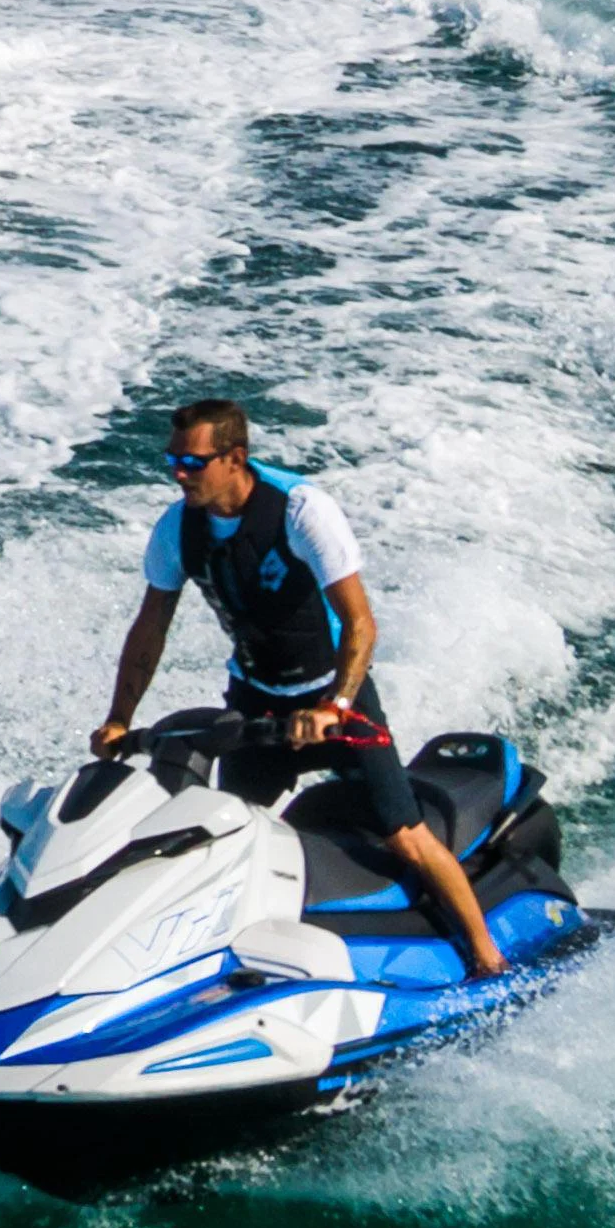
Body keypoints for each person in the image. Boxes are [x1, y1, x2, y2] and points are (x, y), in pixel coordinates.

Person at [93, 396, 507, 982]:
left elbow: (361, 623)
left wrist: (335, 705)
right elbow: (149, 628)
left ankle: (487, 956)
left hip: (333, 698)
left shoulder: (301, 511)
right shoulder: (177, 529)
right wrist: (118, 718)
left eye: (193, 463)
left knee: (406, 837)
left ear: (234, 459)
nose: (179, 474)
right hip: (256, 700)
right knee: (228, 839)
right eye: (173, 461)